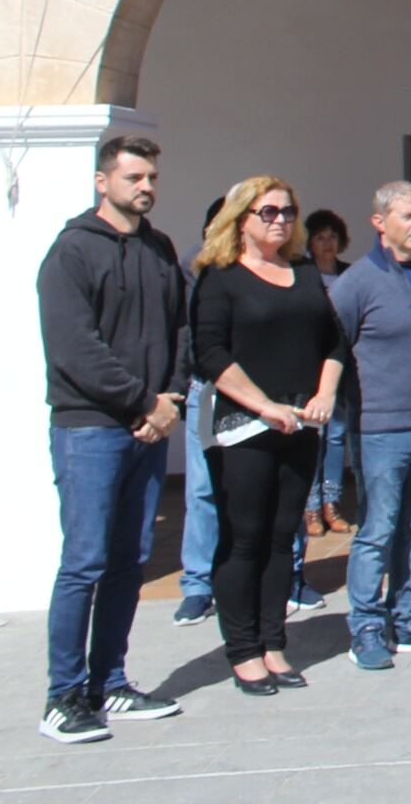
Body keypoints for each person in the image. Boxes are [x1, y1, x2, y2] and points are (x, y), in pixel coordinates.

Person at [37, 133, 185, 743]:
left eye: (151, 177)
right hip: (91, 429)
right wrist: (142, 401)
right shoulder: (72, 252)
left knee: (129, 561)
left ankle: (110, 682)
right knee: (85, 562)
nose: (145, 187)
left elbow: (180, 331)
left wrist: (169, 401)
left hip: (149, 429)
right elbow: (75, 350)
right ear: (103, 182)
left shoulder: (159, 249)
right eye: (133, 178)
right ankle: (62, 697)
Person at [190, 175, 344, 694]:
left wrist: (324, 395)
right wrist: (263, 406)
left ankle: (273, 643)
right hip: (243, 427)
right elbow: (210, 354)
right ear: (241, 219)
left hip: (299, 425)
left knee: (284, 539)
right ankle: (243, 651)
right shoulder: (220, 277)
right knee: (245, 540)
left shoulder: (302, 273)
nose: (281, 220)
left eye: (288, 211)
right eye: (269, 212)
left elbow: (334, 341)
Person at [329, 182, 411, 670]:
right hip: (380, 429)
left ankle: (409, 617)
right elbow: (332, 348)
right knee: (378, 530)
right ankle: (365, 626)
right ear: (379, 223)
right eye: (408, 216)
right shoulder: (356, 283)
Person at [171, 196, 224, 630]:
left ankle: (288, 577)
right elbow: (183, 330)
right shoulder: (193, 270)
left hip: (262, 391)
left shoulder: (279, 268)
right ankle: (198, 585)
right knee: (204, 488)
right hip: (207, 390)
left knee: (273, 489)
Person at [299, 210, 356, 541]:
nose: (327, 243)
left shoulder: (349, 275)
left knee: (336, 436)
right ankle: (310, 507)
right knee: (313, 437)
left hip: (342, 366)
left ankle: (331, 503)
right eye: (320, 237)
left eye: (332, 236)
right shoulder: (302, 274)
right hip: (310, 366)